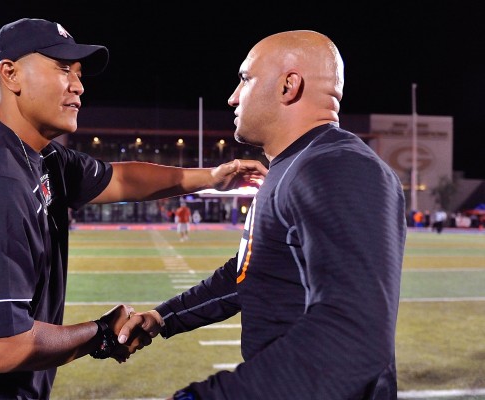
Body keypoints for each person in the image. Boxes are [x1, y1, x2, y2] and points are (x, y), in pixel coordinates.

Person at [0, 18, 268, 399]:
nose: (78, 85)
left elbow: (122, 179)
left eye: (79, 73)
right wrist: (100, 334)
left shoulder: (38, 156)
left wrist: (211, 178)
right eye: (62, 68)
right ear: (11, 74)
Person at [119, 30, 406, 399]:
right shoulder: (292, 167)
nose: (233, 96)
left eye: (244, 79)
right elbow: (250, 274)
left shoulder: (337, 165)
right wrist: (163, 317)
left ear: (289, 85)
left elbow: (355, 334)